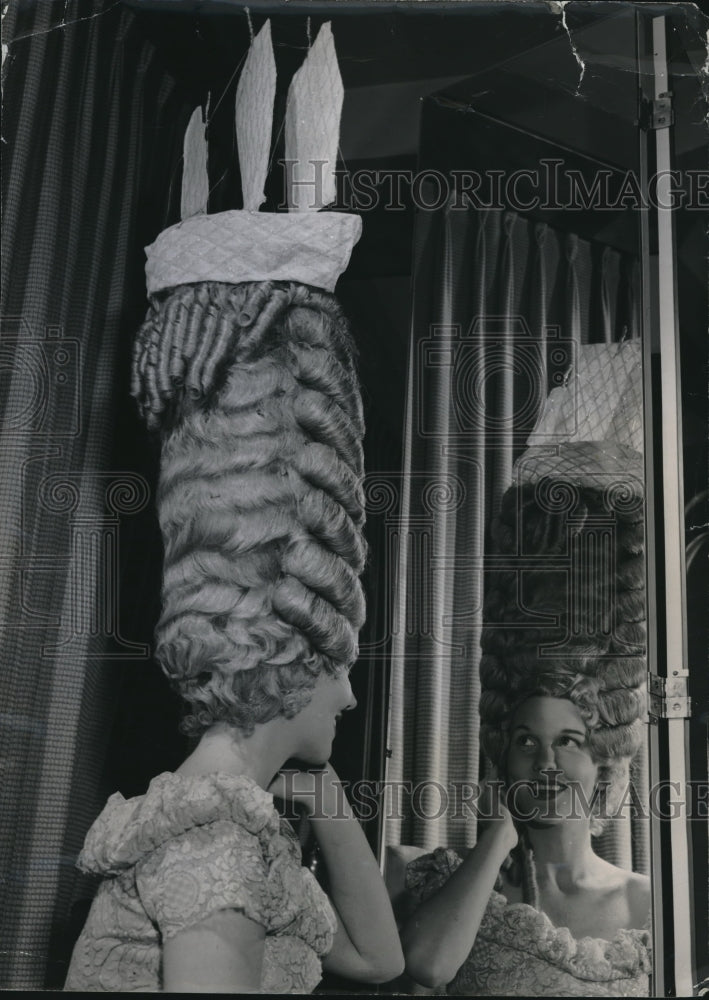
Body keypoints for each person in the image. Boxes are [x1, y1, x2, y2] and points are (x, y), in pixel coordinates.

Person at [65, 239, 404, 990]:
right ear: (294, 652)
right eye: (339, 665)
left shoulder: (213, 818)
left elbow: (381, 962)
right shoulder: (213, 843)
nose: (349, 695)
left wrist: (324, 794)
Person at [400, 458, 652, 997]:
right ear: (502, 755)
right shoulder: (449, 884)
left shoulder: (648, 903)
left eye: (568, 741)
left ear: (601, 757)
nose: (545, 763)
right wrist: (498, 838)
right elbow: (427, 965)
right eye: (525, 742)